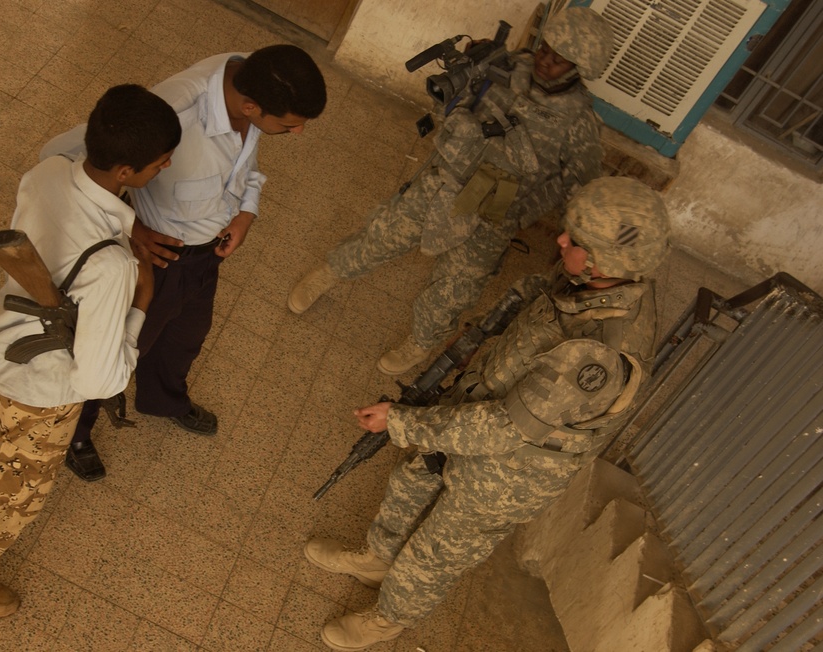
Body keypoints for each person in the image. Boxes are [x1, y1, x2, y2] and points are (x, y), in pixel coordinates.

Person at [303, 176, 671, 650]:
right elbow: (543, 305)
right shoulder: (597, 280)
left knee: (435, 552)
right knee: (411, 480)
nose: (559, 240)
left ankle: (386, 619)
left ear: (604, 260)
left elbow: (502, 429)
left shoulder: (595, 357)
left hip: (508, 473)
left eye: (574, 241)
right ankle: (378, 558)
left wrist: (400, 421)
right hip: (474, 409)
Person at [0, 84, 182, 618]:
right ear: (126, 173)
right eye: (160, 164)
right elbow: (98, 381)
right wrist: (141, 303)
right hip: (41, 393)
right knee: (10, 493)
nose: (166, 169)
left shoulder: (45, 173)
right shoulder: (113, 269)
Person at [42, 44, 327, 481]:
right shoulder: (174, 111)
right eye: (289, 126)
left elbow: (245, 167)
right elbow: (61, 157)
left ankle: (163, 400)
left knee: (185, 338)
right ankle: (75, 432)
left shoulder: (250, 75)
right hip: (155, 263)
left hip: (205, 256)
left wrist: (247, 211)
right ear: (251, 106)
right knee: (115, 351)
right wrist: (132, 228)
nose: (297, 133)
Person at [288, 7, 614, 376]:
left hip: (496, 212)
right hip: (448, 177)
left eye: (558, 60)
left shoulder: (579, 124)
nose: (545, 60)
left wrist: (525, 215)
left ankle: (419, 342)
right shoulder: (505, 65)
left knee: (456, 288)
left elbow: (577, 190)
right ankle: (328, 274)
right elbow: (451, 101)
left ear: (578, 70)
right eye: (546, 49)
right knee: (385, 234)